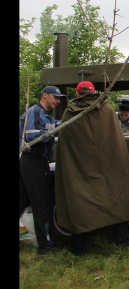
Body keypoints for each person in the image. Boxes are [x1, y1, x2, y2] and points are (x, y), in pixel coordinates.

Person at [55, 81, 129, 256]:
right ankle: (121, 240)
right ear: (93, 92)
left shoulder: (70, 113)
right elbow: (116, 140)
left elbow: (65, 145)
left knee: (79, 202)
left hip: (79, 169)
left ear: (78, 94)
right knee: (115, 198)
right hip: (108, 166)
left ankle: (79, 248)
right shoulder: (106, 110)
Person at [19, 85, 66, 255]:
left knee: (23, 200)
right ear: (45, 95)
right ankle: (45, 246)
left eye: (59, 98)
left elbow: (54, 125)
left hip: (35, 161)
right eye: (55, 97)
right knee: (41, 203)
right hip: (32, 161)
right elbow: (31, 135)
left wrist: (63, 124)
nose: (57, 101)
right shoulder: (35, 112)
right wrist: (52, 132)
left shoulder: (47, 115)